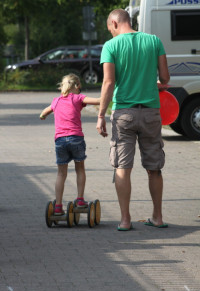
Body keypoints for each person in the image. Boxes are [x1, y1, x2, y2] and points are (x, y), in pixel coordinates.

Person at [96, 9, 170, 230]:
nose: (110, 33)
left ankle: (125, 220)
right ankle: (157, 217)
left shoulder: (111, 46)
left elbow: (109, 83)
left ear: (115, 23)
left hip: (123, 114)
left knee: (122, 167)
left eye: (110, 29)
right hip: (150, 113)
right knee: (154, 167)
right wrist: (150, 83)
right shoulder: (154, 41)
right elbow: (165, 79)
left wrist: (100, 114)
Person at [40, 73, 100, 215]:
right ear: (78, 86)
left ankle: (58, 206)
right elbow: (98, 100)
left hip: (60, 140)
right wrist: (111, 94)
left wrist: (43, 116)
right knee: (80, 168)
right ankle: (80, 199)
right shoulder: (78, 98)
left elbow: (44, 112)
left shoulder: (56, 101)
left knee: (61, 174)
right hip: (76, 139)